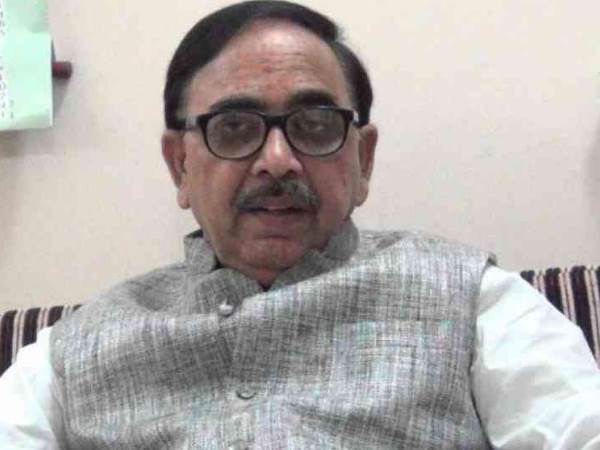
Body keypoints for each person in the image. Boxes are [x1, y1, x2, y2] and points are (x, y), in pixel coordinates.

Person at [1, 1, 599, 448]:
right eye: (234, 127)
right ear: (180, 165)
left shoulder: (480, 302)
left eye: (315, 124)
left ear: (363, 160)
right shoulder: (67, 352)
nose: (278, 160)